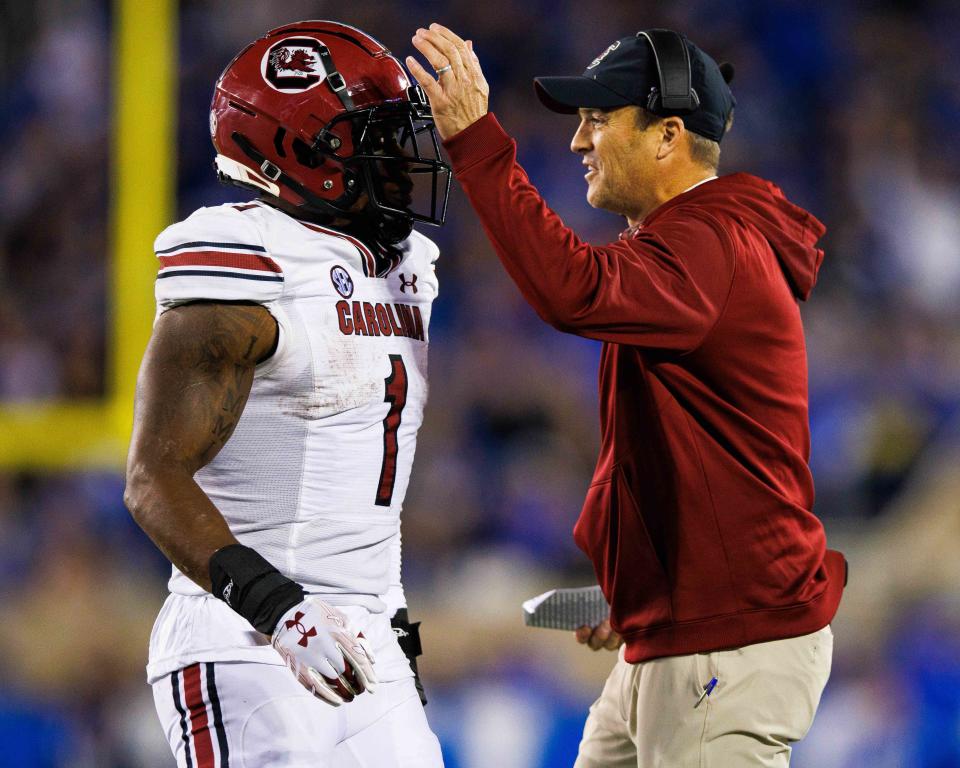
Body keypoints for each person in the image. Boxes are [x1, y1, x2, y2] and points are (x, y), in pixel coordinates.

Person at [406, 23, 847, 767]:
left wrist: (478, 140)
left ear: (668, 135)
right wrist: (640, 586)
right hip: (681, 633)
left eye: (599, 119)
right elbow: (678, 449)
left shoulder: (712, 243)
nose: (579, 141)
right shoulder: (691, 241)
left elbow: (570, 291)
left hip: (727, 645)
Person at [124, 20, 449, 767]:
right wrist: (281, 610)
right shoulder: (246, 266)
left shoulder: (408, 264)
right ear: (302, 151)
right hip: (246, 640)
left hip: (374, 645)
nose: (402, 156)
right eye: (375, 137)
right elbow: (152, 479)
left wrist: (387, 627)